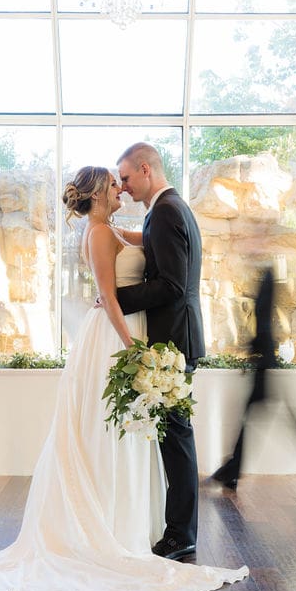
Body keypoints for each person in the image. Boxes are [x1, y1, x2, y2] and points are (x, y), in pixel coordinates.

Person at [0, 166, 247, 591]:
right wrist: (133, 350)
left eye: (124, 179)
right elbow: (109, 296)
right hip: (114, 336)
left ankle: (128, 523)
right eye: (114, 183)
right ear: (99, 193)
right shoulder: (99, 235)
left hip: (129, 329)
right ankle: (108, 526)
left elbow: (159, 246)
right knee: (108, 432)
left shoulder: (114, 228)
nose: (120, 187)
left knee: (128, 433)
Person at [114, 142, 203, 561]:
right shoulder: (168, 208)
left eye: (127, 178)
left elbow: (170, 284)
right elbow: (153, 247)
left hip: (175, 340)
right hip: (177, 336)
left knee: (177, 439)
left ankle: (181, 534)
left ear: (145, 169)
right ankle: (179, 530)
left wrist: (115, 297)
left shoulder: (166, 211)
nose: (123, 187)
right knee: (174, 436)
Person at [210, 266, 296, 490]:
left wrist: (254, 348)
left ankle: (231, 471)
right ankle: (231, 471)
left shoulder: (266, 275)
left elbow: (265, 323)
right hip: (265, 364)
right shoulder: (265, 275)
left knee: (261, 419)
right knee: (277, 420)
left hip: (265, 366)